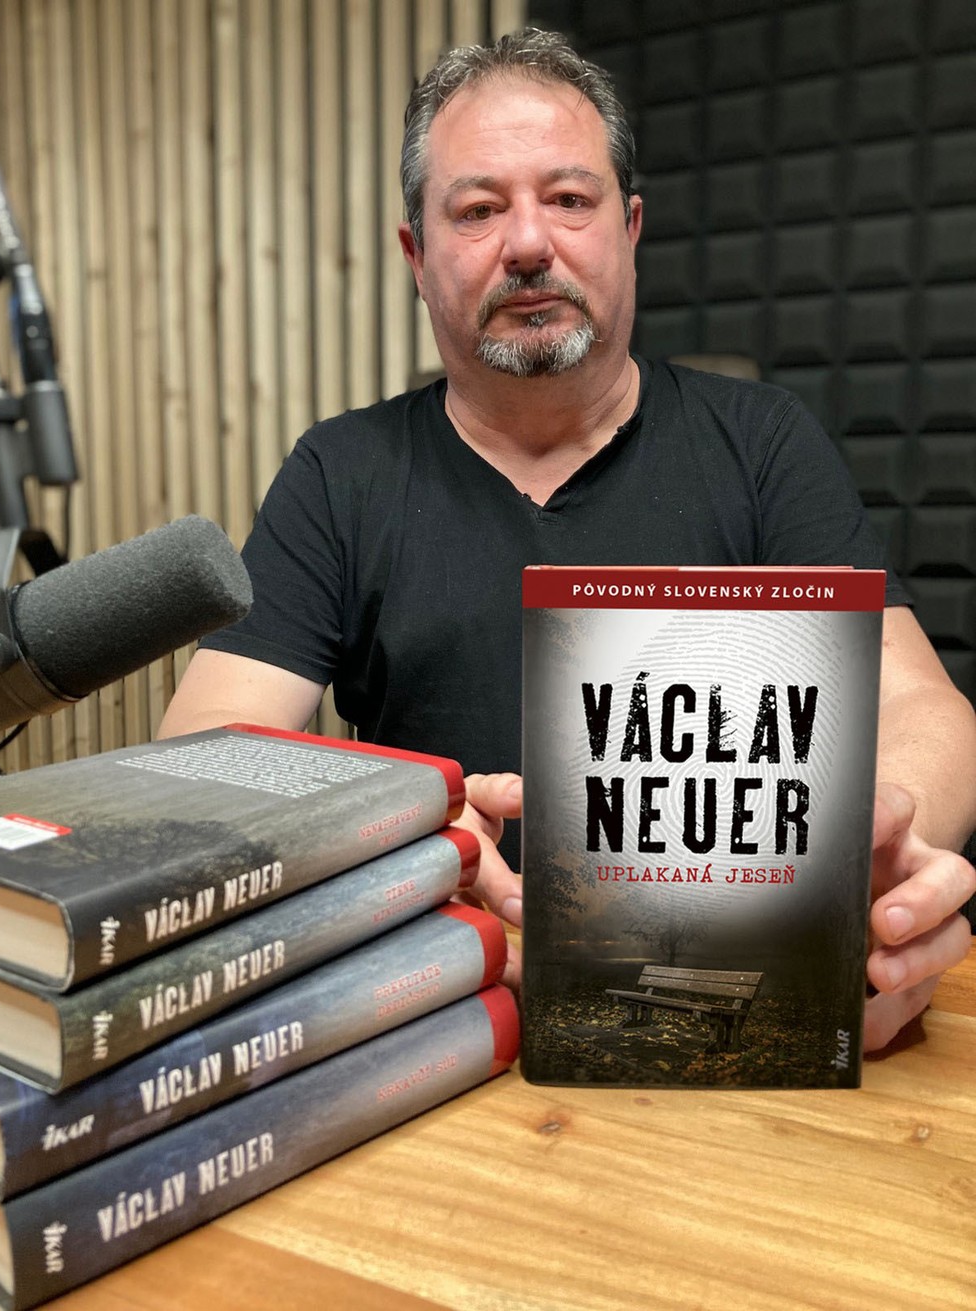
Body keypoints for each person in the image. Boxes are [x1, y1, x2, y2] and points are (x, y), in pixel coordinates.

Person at [159, 28, 976, 1052]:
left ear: (628, 228)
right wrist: (400, 841)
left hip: (726, 1007)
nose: (528, 242)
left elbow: (922, 708)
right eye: (477, 209)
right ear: (416, 256)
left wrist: (882, 849)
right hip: (447, 1011)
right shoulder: (341, 472)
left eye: (569, 199)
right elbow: (203, 755)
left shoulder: (762, 442)